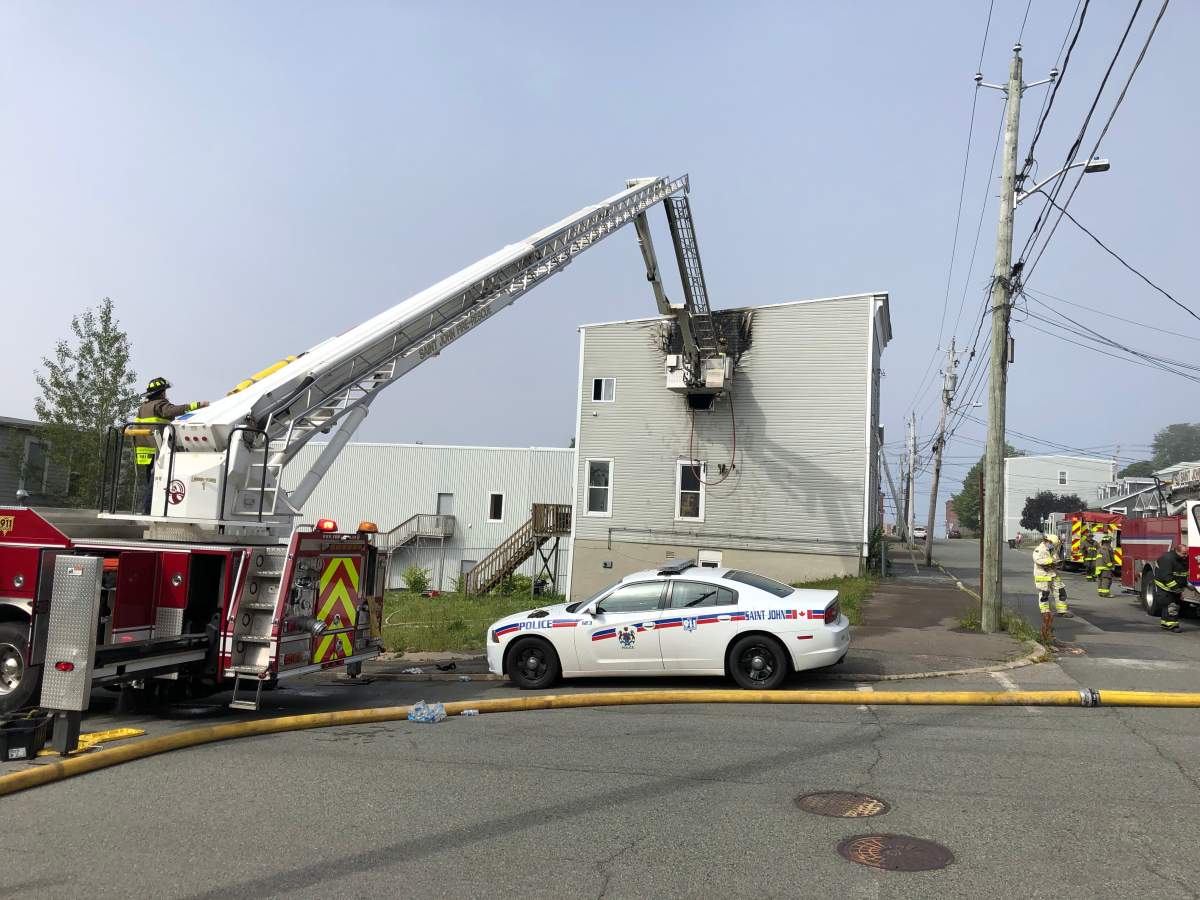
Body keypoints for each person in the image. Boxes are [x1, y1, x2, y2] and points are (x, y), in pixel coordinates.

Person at [133, 377, 209, 514]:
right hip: (158, 448)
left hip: (144, 449)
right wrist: (199, 404)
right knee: (156, 481)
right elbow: (174, 410)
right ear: (161, 393)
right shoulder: (160, 405)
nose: (166, 394)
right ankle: (149, 510)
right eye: (165, 392)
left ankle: (149, 509)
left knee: (151, 479)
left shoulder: (142, 408)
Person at [1154, 541, 1190, 633]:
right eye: (1184, 553)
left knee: (1168, 604)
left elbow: (1182, 574)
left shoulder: (1182, 559)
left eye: (1187, 553)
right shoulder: (1167, 559)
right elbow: (1166, 576)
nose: (1186, 556)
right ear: (1177, 551)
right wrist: (1176, 589)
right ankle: (1173, 625)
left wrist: (1186, 585)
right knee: (1172, 605)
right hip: (1165, 586)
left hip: (1174, 585)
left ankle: (1165, 623)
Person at [1033, 532, 1071, 617]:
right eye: (1052, 544)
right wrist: (1050, 561)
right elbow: (1038, 560)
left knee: (1061, 591)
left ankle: (1062, 611)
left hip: (1053, 574)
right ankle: (1045, 611)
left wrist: (1056, 562)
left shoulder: (1052, 550)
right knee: (1044, 594)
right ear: (1048, 541)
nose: (1053, 546)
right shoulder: (1039, 549)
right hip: (1043, 575)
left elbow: (1056, 558)